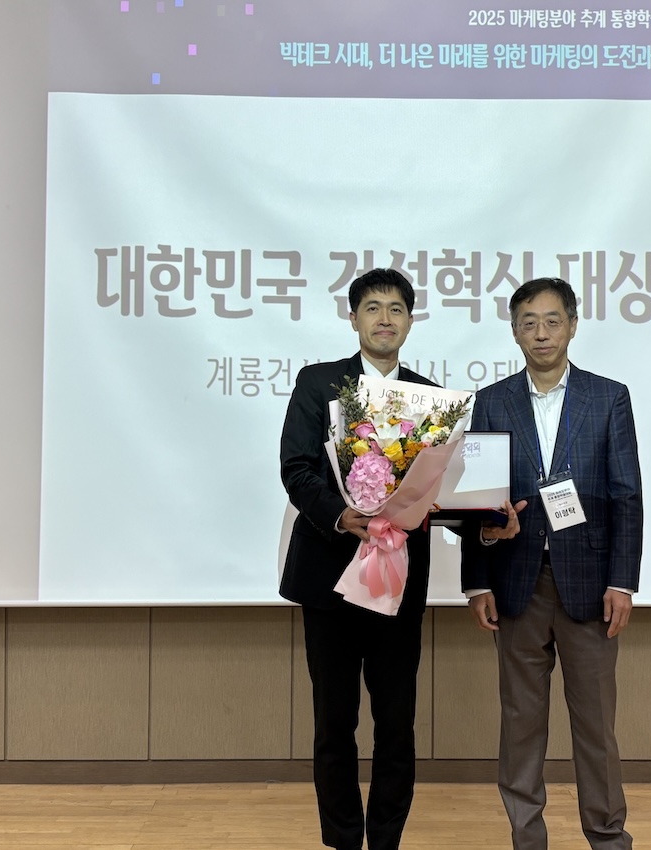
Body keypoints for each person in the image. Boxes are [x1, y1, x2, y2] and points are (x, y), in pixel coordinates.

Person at [461, 277, 643, 850]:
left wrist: (623, 581)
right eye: (529, 323)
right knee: (521, 723)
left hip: (590, 585)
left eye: (552, 320)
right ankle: (527, 838)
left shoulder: (608, 397)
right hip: (516, 583)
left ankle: (607, 836)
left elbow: (626, 495)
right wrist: (476, 582)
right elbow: (476, 497)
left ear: (572, 325)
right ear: (515, 332)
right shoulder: (492, 401)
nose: (541, 333)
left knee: (596, 724)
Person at [279, 268, 437, 850]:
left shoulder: (430, 399)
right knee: (334, 721)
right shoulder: (319, 383)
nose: (384, 319)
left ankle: (386, 838)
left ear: (410, 321)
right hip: (329, 576)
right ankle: (344, 838)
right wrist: (342, 515)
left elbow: (438, 484)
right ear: (353, 319)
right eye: (373, 308)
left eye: (396, 309)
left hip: (398, 581)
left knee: (396, 723)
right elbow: (296, 468)